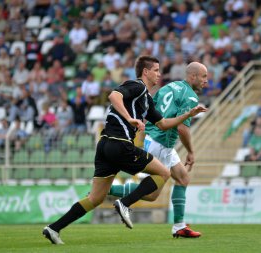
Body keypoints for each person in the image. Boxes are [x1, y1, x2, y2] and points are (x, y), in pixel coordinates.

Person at [42, 56, 206, 244]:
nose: (159, 74)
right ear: (146, 72)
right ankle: (125, 203)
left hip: (105, 146)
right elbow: (114, 95)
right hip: (119, 143)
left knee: (95, 198)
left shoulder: (146, 100)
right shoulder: (137, 86)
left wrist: (188, 114)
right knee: (163, 172)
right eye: (156, 70)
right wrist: (129, 119)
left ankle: (54, 228)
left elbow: (162, 124)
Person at [109, 62, 207, 238]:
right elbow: (183, 129)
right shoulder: (191, 96)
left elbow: (150, 106)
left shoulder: (171, 86)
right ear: (193, 76)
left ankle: (179, 226)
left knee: (183, 178)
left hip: (156, 139)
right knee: (152, 194)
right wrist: (191, 152)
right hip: (162, 143)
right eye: (204, 76)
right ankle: (107, 190)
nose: (206, 81)